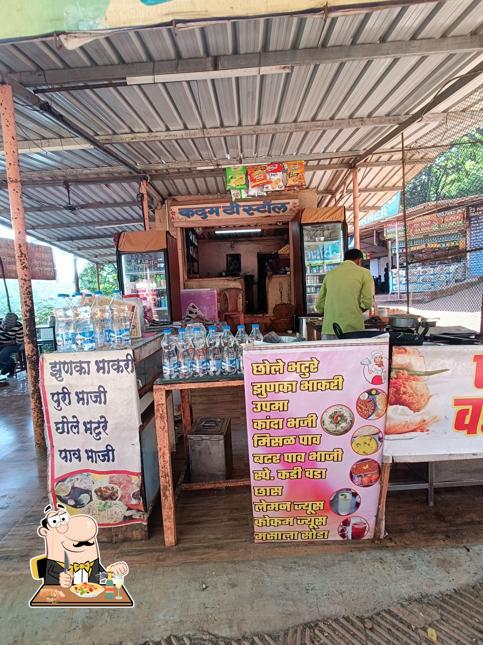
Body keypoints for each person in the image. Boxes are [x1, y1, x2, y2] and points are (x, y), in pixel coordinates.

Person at [315, 249, 374, 338]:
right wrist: (356, 310)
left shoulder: (330, 274)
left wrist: (330, 313)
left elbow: (319, 304)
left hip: (330, 327)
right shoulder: (364, 273)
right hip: (353, 329)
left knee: (330, 352)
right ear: (359, 260)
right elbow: (367, 302)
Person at [0, 312, 24, 376]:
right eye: (4, 325)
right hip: (4, 343)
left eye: (9, 327)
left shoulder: (19, 326)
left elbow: (18, 342)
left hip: (16, 345)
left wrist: (7, 344)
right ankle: (7, 366)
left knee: (4, 352)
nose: (5, 328)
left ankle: (11, 364)